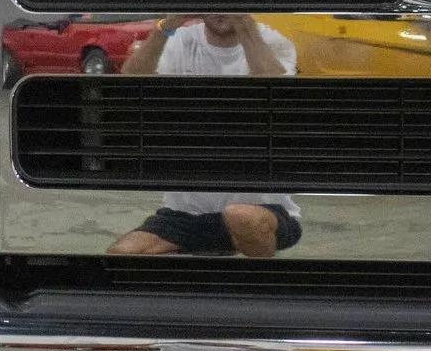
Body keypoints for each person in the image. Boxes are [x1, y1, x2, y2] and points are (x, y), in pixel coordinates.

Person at [107, 14, 302, 259]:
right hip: (186, 214)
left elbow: (277, 97)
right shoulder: (179, 40)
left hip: (263, 208)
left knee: (240, 217)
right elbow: (131, 80)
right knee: (120, 254)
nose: (221, 10)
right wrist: (165, 26)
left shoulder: (272, 42)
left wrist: (247, 30)